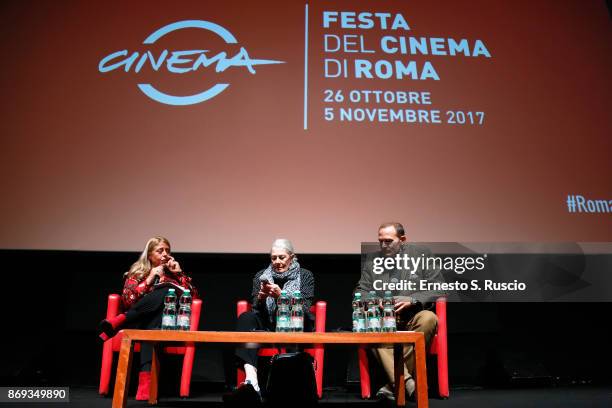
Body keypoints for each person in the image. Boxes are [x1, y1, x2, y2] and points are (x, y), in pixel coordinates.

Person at [97, 236, 198, 401]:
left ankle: (119, 321)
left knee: (166, 291)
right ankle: (145, 383)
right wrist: (150, 278)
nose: (165, 254)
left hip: (165, 322)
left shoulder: (173, 273)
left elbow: (192, 298)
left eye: (167, 251)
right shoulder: (138, 272)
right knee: (161, 298)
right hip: (138, 320)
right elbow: (128, 300)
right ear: (150, 255)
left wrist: (179, 274)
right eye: (160, 251)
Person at [354, 222, 444, 401]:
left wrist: (412, 300)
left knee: (429, 318)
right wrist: (377, 301)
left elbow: (439, 288)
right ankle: (409, 384)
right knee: (367, 323)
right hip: (385, 320)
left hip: (413, 316)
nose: (383, 245)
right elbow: (360, 291)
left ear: (402, 240)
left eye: (388, 241)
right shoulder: (373, 261)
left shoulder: (421, 255)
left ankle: (393, 385)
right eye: (380, 241)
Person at [229, 238, 315, 400]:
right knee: (246, 317)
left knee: (301, 318)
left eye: (282, 257)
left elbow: (304, 307)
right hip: (268, 324)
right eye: (273, 258)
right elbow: (256, 309)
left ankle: (291, 385)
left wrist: (281, 296)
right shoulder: (261, 276)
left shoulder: (305, 275)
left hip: (295, 323)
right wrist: (261, 298)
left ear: (292, 257)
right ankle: (251, 379)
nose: (277, 262)